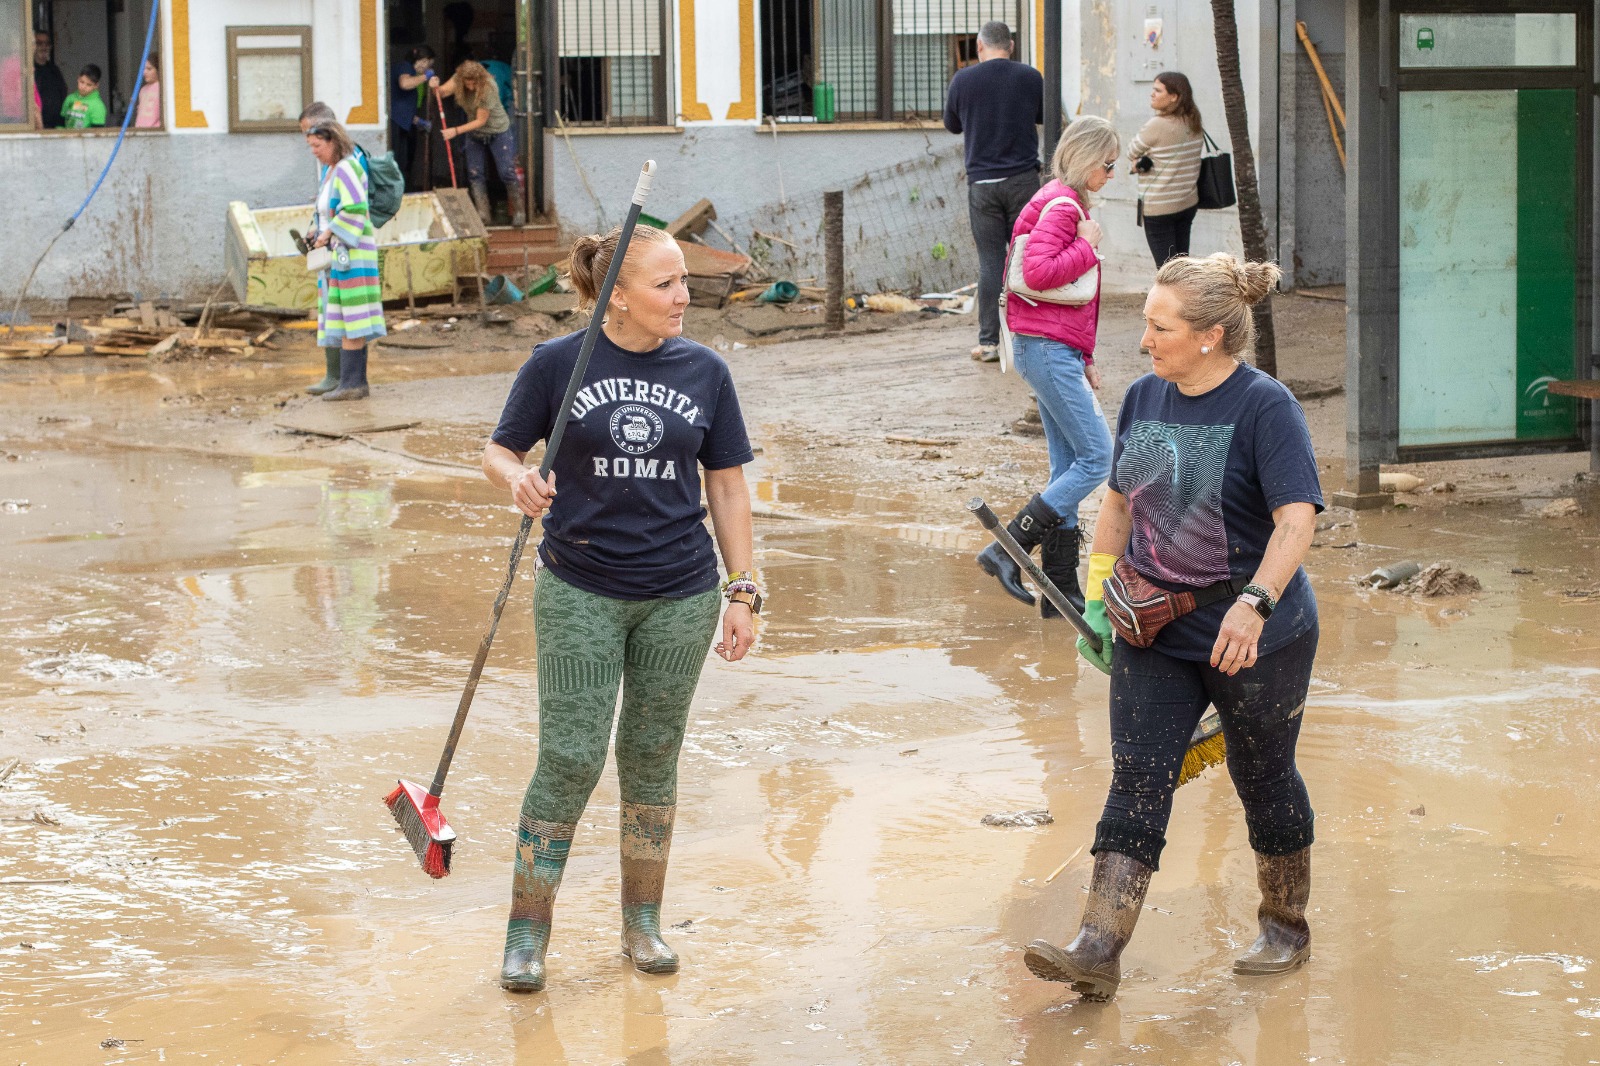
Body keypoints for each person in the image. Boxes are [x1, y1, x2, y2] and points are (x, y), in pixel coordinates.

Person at [1023, 253, 1320, 1001]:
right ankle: (1097, 945)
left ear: (1211, 336)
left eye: (1160, 327)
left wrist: (1256, 602)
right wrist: (1096, 596)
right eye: (1147, 324)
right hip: (1154, 627)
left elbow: (1296, 520)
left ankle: (1285, 926)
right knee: (1137, 777)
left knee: (1263, 777)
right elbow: (1120, 502)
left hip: (1253, 630)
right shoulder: (1145, 398)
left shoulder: (1265, 407)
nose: (1145, 340)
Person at [481, 224, 758, 993]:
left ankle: (642, 925)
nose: (684, 297)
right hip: (580, 588)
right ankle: (526, 933)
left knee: (650, 757)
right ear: (617, 296)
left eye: (683, 282)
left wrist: (744, 589)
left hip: (680, 594)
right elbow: (499, 448)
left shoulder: (705, 370)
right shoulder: (557, 366)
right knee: (570, 757)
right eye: (667, 284)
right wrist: (516, 480)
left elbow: (727, 485)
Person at [975, 116, 1119, 618]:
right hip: (1047, 349)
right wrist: (1088, 245)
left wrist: (1086, 356)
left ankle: (1061, 594)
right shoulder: (1064, 206)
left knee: (1068, 468)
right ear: (1085, 161)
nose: (1113, 174)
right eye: (1108, 164)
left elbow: (1068, 301)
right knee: (1098, 458)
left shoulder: (1060, 201)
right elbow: (1037, 274)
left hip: (1052, 348)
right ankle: (1006, 550)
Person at [942, 21, 1043, 363]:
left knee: (991, 262)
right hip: (1024, 182)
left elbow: (952, 124)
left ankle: (989, 343)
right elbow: (1044, 115)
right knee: (1027, 257)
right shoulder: (1031, 77)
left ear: (980, 47)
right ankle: (1029, 337)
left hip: (983, 184)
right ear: (1011, 46)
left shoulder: (963, 80)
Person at [304, 121, 385, 400]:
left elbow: (356, 208)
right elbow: (329, 210)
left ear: (333, 142)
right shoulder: (331, 171)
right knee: (343, 313)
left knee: (353, 314)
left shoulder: (347, 168)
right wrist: (318, 229)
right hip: (340, 253)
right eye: (310, 146)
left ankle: (352, 384)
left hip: (352, 253)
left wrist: (327, 232)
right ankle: (353, 383)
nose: (313, 151)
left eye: (317, 145)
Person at [429, 60, 524, 225]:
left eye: (474, 82)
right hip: (474, 134)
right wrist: (433, 86)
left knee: (506, 172)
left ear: (480, 79)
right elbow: (441, 93)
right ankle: (483, 215)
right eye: (467, 82)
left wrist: (455, 131)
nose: (471, 87)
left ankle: (519, 211)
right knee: (474, 173)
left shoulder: (489, 87)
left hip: (498, 131)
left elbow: (481, 120)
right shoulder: (459, 79)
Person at [1129, 72, 1204, 266]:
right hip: (1187, 202)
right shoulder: (1193, 121)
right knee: (1181, 264)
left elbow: (1131, 150)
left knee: (1167, 269)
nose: (1152, 94)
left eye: (1157, 90)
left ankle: (1171, 297)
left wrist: (1141, 161)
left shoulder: (1157, 125)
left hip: (1159, 207)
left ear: (1174, 97)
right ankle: (1184, 296)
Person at [390, 45, 436, 192]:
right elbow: (404, 84)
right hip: (396, 124)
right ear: (422, 60)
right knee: (398, 163)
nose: (427, 68)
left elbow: (404, 109)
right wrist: (425, 77)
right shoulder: (405, 67)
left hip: (403, 123)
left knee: (404, 163)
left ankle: (402, 193)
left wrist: (419, 122)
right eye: (428, 64)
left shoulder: (410, 71)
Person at [32, 31, 66, 130]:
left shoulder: (54, 70)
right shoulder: (30, 70)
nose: (44, 47)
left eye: (47, 43)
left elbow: (63, 94)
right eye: (39, 43)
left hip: (56, 126)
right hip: (37, 127)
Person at [61, 64, 106, 130]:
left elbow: (97, 133)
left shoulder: (98, 106)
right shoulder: (70, 99)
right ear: (78, 79)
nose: (83, 87)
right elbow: (60, 122)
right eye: (82, 82)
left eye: (89, 85)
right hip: (66, 138)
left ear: (96, 86)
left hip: (85, 140)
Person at [133, 55, 161, 128]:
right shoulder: (143, 90)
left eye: (149, 69)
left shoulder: (162, 88)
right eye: (143, 69)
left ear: (158, 69)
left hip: (155, 131)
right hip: (141, 130)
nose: (144, 72)